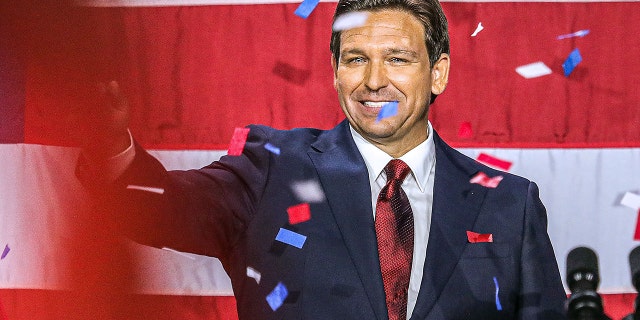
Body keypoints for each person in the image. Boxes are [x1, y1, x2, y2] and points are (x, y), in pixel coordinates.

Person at [77, 0, 567, 319]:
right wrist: (108, 143)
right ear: (335, 73)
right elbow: (156, 209)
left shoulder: (510, 203)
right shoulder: (269, 170)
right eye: (356, 59)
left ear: (437, 74)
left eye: (397, 58)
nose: (374, 80)